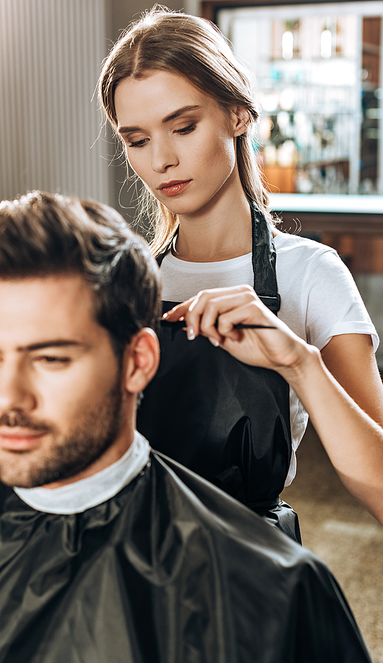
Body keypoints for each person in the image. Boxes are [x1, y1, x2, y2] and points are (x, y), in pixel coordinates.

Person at [0, 191, 382, 663]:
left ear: (138, 361)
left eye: (50, 358)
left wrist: (300, 364)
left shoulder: (276, 592)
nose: (8, 397)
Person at [98, 7, 383, 540]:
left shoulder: (310, 275)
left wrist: (301, 364)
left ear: (237, 114)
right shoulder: (125, 282)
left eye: (183, 127)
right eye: (137, 140)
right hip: (131, 556)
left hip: (250, 571)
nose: (161, 159)